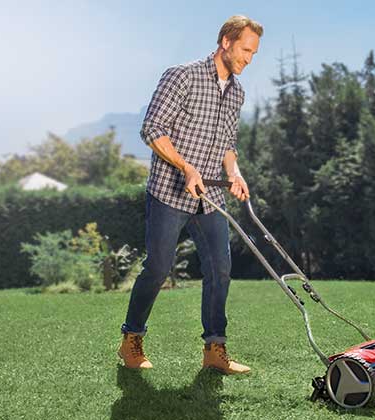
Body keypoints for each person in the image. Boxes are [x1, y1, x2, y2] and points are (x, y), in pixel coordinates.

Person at [118, 15, 262, 375]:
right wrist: (186, 167)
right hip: (169, 193)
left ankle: (215, 348)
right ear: (226, 42)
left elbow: (227, 144)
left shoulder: (237, 93)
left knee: (220, 270)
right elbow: (152, 129)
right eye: (245, 50)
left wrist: (235, 173)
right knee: (158, 268)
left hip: (210, 198)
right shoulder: (182, 76)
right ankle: (131, 339)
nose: (249, 59)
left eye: (253, 53)